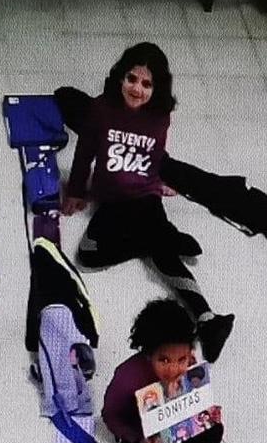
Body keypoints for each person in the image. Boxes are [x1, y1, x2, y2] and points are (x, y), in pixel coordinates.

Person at [55, 42, 234, 362]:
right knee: (89, 255)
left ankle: (207, 319)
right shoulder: (101, 110)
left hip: (144, 196)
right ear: (119, 77)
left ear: (158, 88)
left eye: (147, 84)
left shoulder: (159, 116)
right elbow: (84, 152)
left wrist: (158, 182)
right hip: (112, 198)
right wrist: (76, 191)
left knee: (119, 249)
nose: (137, 89)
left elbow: (154, 154)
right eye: (132, 79)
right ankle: (163, 239)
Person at [101, 299, 224, 443]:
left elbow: (195, 396)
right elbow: (110, 415)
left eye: (182, 359)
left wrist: (204, 411)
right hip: (138, 430)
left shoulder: (189, 363)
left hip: (174, 425)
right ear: (149, 354)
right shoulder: (127, 377)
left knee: (216, 430)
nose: (174, 369)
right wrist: (136, 437)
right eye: (164, 360)